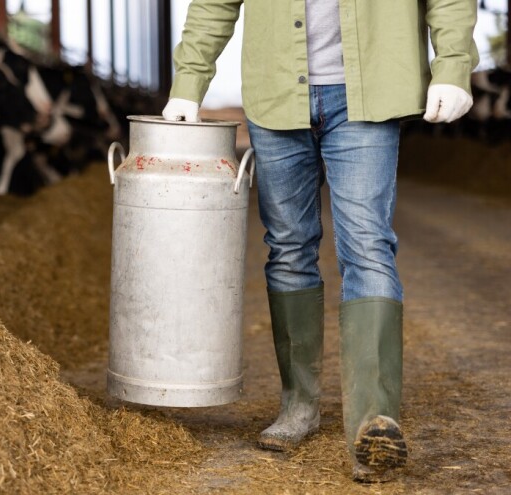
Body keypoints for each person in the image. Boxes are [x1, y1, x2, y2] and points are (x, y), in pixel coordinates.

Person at [162, 0, 478, 483]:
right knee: (288, 248)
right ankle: (299, 407)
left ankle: (374, 422)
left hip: (369, 93)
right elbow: (213, 2)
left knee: (368, 245)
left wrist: (453, 65)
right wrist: (188, 83)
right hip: (276, 95)